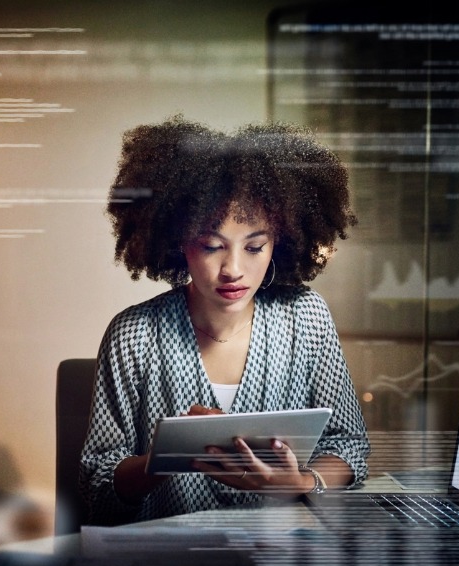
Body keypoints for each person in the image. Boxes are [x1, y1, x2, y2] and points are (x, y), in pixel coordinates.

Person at [79, 115, 370, 525]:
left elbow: (350, 446)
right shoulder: (133, 335)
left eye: (254, 247)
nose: (233, 268)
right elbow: (98, 488)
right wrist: (165, 457)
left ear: (279, 244)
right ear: (180, 244)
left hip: (278, 561)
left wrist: (302, 482)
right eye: (212, 245)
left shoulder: (306, 317)